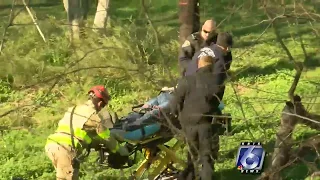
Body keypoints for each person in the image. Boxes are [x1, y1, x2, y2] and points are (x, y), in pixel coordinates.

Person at [45, 85, 129, 180]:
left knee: (63, 177)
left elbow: (80, 132)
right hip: (66, 149)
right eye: (103, 105)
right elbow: (106, 136)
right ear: (100, 103)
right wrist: (120, 150)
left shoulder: (74, 109)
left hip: (52, 145)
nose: (102, 108)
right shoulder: (91, 114)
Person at [171, 56, 221, 180]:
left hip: (188, 123)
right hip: (206, 122)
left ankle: (191, 176)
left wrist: (175, 116)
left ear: (199, 65)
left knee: (192, 155)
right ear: (212, 66)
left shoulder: (186, 80)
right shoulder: (216, 83)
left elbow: (175, 102)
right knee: (206, 156)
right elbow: (216, 102)